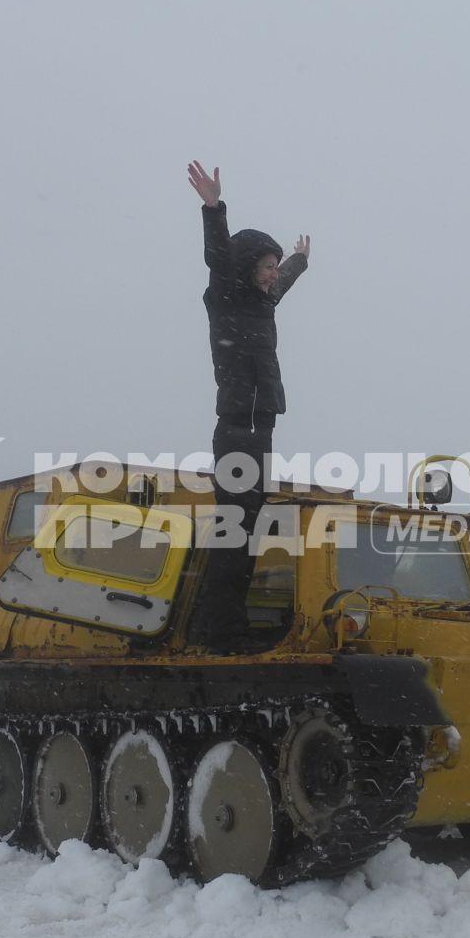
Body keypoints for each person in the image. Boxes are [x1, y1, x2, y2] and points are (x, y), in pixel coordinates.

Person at [184, 160, 310, 650]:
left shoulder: (263, 300)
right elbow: (220, 256)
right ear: (248, 269)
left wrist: (299, 260)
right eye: (267, 266)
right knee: (234, 528)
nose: (273, 275)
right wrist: (214, 209)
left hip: (262, 426)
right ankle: (221, 630)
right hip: (236, 426)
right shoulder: (229, 296)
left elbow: (284, 284)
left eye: (275, 268)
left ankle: (225, 623)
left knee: (249, 524)